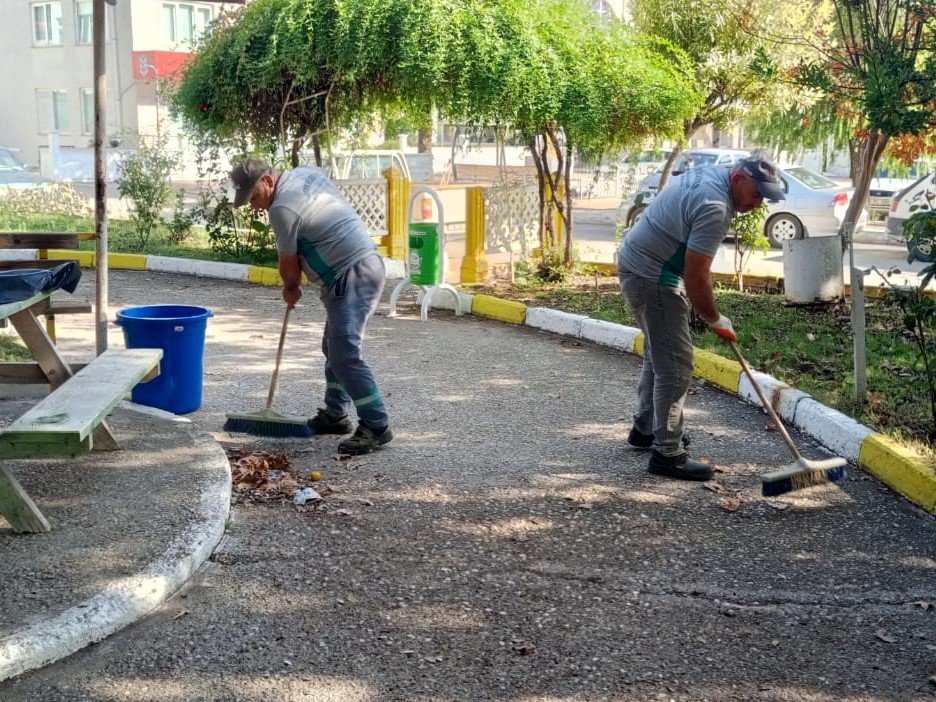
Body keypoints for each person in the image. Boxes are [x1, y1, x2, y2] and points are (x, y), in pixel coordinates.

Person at [616, 154, 786, 481]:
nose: (758, 203)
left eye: (764, 197)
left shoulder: (714, 176)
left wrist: (711, 315)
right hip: (652, 274)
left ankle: (646, 429)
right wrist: (715, 318)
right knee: (676, 365)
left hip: (638, 263)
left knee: (659, 352)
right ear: (738, 178)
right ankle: (667, 454)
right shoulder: (715, 206)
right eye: (757, 193)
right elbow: (696, 275)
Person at [229, 158, 392, 455]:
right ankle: (336, 415)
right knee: (333, 348)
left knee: (345, 354)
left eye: (253, 197)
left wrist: (291, 288)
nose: (254, 206)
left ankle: (376, 425)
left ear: (268, 181)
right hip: (360, 267)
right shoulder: (304, 174)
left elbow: (288, 264)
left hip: (351, 274)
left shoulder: (281, 208)